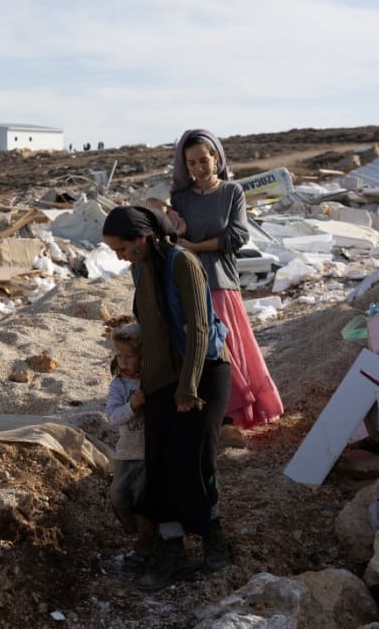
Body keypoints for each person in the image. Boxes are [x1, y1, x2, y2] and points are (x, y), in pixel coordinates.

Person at [102, 205, 232, 592]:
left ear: (141, 238)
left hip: (203, 374)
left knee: (193, 462)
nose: (119, 257)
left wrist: (188, 388)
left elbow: (198, 329)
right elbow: (151, 329)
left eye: (122, 249)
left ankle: (215, 543)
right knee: (159, 466)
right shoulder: (140, 268)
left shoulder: (183, 263)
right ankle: (171, 552)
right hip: (163, 378)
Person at [169, 129, 284, 433]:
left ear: (216, 158)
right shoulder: (179, 198)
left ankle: (235, 411)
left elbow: (237, 236)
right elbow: (175, 236)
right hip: (188, 280)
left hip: (220, 279)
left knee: (227, 346)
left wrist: (196, 246)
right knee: (195, 345)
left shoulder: (232, 192)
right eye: (190, 163)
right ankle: (205, 410)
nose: (197, 168)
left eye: (203, 160)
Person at [103, 322, 156, 573]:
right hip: (126, 453)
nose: (123, 362)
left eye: (130, 357)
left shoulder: (152, 381)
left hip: (149, 456)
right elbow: (112, 417)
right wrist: (133, 406)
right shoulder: (119, 386)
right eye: (119, 356)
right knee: (119, 495)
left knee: (145, 501)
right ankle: (138, 532)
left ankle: (146, 544)